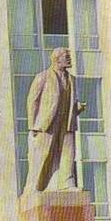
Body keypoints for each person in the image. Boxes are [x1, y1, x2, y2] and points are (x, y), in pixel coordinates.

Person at [22, 48, 86, 194]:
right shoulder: (43, 77)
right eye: (66, 56)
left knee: (68, 153)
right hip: (46, 124)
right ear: (57, 59)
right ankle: (33, 186)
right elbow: (32, 100)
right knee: (42, 154)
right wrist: (33, 125)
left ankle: (66, 184)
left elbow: (69, 101)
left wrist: (77, 108)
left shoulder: (72, 79)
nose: (70, 59)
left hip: (67, 122)